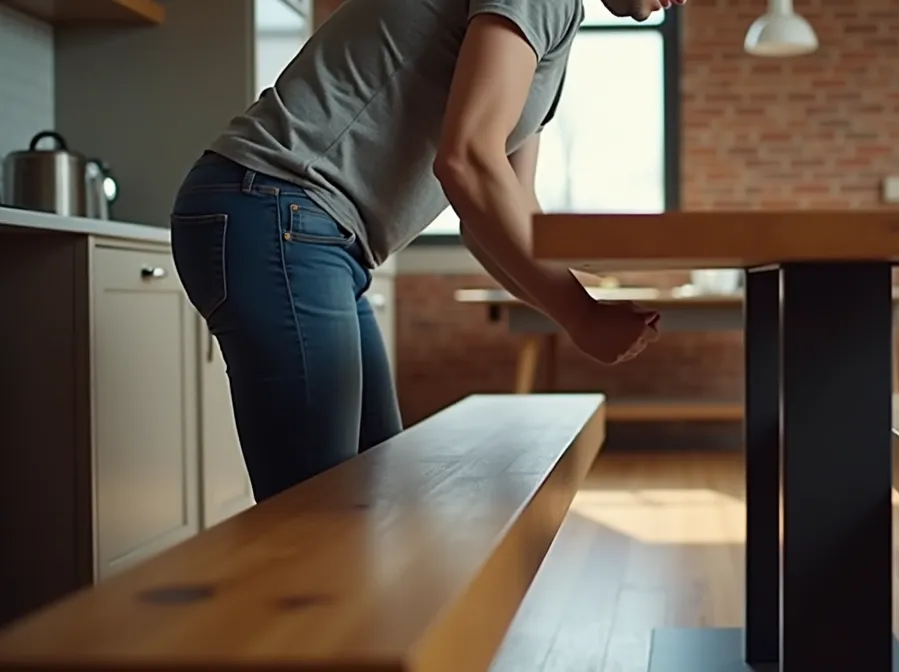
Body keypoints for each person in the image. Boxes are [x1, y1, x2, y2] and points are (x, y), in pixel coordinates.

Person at [169, 0, 677, 503]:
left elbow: (496, 217)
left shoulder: (551, 24)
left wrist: (590, 283)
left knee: (369, 493)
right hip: (279, 207)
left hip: (309, 228)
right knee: (320, 517)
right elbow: (468, 164)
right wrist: (581, 316)